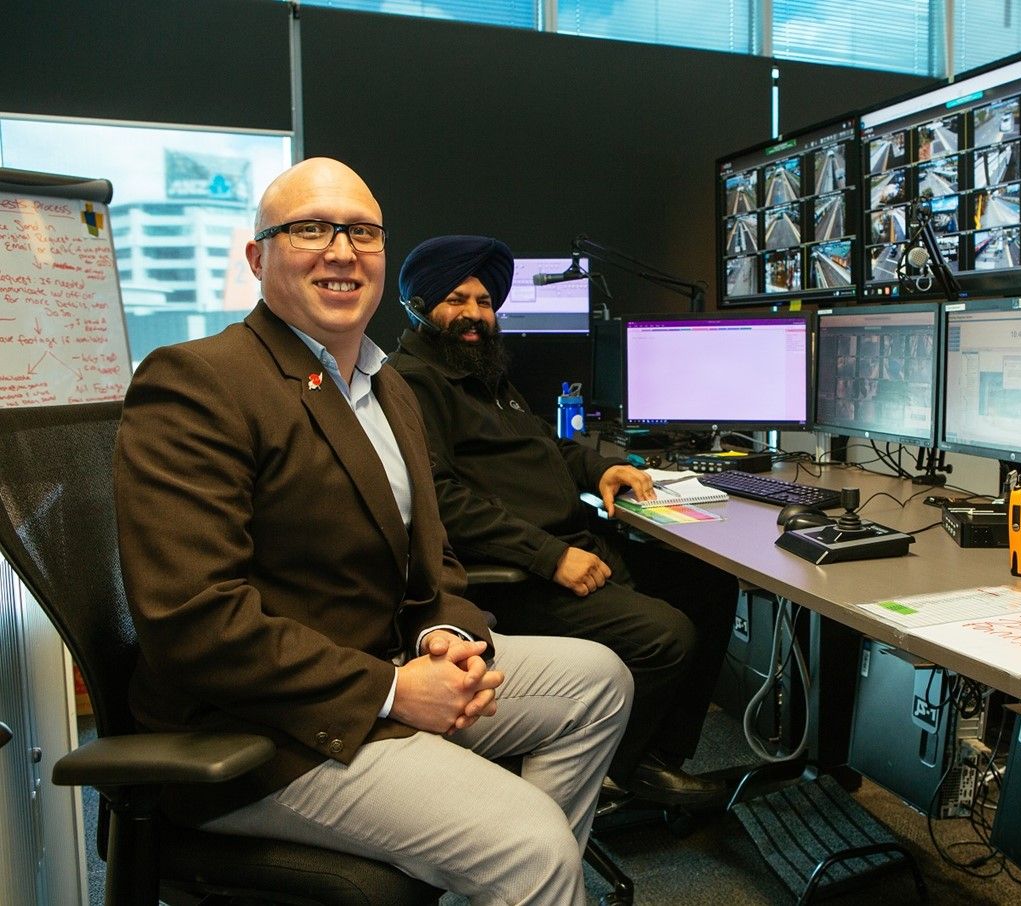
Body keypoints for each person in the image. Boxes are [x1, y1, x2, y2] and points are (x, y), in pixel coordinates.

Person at [113, 158, 632, 904]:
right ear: (258, 258)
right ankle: (522, 868)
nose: (341, 250)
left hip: (384, 666)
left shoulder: (384, 384)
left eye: (361, 232)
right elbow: (195, 622)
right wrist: (392, 689)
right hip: (266, 731)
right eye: (310, 229)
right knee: (534, 845)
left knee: (598, 684)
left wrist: (444, 635)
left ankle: (503, 879)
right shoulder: (197, 383)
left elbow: (437, 557)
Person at [388, 235, 739, 807]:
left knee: (710, 586)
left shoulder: (484, 376)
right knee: (666, 636)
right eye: (457, 299)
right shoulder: (412, 383)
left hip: (575, 545)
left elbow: (547, 446)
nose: (474, 314)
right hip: (520, 572)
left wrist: (602, 467)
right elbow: (442, 500)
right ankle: (612, 770)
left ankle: (652, 757)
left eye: (484, 301)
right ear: (420, 306)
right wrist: (550, 558)